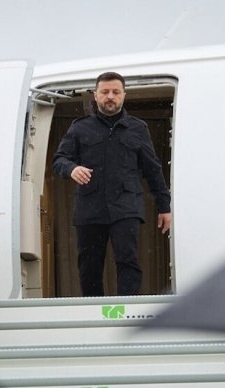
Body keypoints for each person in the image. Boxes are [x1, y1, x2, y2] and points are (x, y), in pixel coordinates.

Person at [53, 71, 172, 296]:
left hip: (126, 206)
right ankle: (92, 310)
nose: (110, 96)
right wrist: (72, 169)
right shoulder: (80, 128)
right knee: (89, 266)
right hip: (90, 208)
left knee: (128, 261)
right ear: (96, 95)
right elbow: (59, 160)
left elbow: (153, 169)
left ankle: (126, 309)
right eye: (105, 92)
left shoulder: (138, 128)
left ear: (124, 95)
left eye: (116, 92)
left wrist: (164, 207)